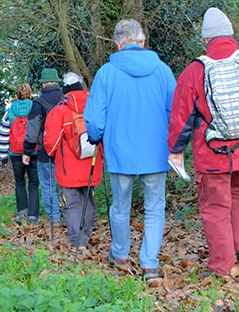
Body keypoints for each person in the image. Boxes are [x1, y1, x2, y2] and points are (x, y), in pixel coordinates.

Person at [167, 7, 239, 277]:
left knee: (215, 208)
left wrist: (176, 150)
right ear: (231, 34)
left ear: (205, 39)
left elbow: (181, 118)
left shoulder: (194, 71)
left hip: (212, 155)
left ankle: (221, 267)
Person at [84, 19, 177, 280]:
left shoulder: (106, 73)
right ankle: (149, 263)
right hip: (156, 153)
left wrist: (95, 137)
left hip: (120, 153)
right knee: (155, 208)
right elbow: (176, 113)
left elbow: (93, 120)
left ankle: (120, 253)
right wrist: (175, 144)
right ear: (143, 41)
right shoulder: (162, 71)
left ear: (117, 44)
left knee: (120, 207)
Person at [44, 72, 104, 248]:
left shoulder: (59, 111)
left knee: (71, 205)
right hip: (92, 165)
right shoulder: (95, 108)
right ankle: (84, 235)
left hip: (67, 168)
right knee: (89, 202)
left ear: (65, 89)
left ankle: (79, 242)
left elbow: (51, 144)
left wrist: (51, 152)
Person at [23, 68, 63, 224]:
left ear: (44, 84)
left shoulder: (38, 103)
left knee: (48, 185)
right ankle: (71, 215)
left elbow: (32, 131)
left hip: (46, 152)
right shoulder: (66, 98)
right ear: (57, 82)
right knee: (66, 184)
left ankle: (55, 219)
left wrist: (27, 151)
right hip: (67, 152)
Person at [0, 83, 39, 224]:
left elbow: (4, 134)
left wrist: (3, 155)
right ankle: (33, 216)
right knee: (34, 183)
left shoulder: (9, 112)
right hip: (34, 151)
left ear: (16, 96)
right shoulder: (36, 109)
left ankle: (22, 213)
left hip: (16, 153)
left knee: (20, 182)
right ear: (30, 95)